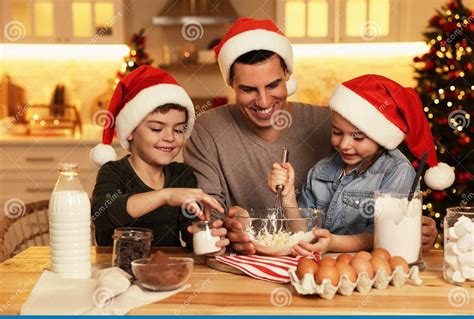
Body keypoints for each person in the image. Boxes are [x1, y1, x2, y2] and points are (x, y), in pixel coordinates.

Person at [183, 18, 439, 254]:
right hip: (253, 265)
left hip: (332, 265)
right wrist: (227, 225)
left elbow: (387, 215)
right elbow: (205, 217)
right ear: (231, 85)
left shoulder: (330, 122)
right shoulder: (207, 130)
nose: (263, 101)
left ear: (288, 76)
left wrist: (414, 228)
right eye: (248, 89)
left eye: (273, 85)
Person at [268, 74, 455, 255]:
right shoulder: (320, 171)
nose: (344, 145)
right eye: (337, 132)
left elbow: (385, 234)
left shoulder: (396, 171)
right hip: (325, 270)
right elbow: (302, 233)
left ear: (379, 136)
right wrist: (288, 196)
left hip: (373, 270)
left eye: (358, 136)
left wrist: (333, 242)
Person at [89, 65, 227, 251]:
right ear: (130, 132)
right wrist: (165, 196)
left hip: (168, 271)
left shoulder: (182, 175)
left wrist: (207, 239)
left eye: (179, 130)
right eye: (156, 128)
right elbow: (103, 214)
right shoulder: (114, 172)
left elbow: (190, 231)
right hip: (116, 273)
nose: (170, 138)